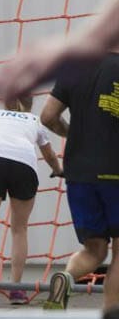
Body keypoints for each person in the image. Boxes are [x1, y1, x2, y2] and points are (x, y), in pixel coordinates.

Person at [38, 52, 119, 312]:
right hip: (115, 171)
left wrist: (72, 133)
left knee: (94, 250)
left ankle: (67, 277)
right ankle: (111, 310)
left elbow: (48, 116)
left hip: (79, 174)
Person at [0, 96, 63, 307]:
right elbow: (49, 155)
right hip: (24, 165)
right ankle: (16, 290)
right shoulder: (35, 121)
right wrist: (58, 171)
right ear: (30, 103)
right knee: (19, 229)